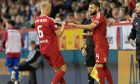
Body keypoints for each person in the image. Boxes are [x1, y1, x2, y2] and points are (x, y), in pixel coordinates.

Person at [69, 1, 113, 84]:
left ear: (97, 8)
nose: (89, 9)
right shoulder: (94, 17)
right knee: (103, 67)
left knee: (99, 66)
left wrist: (76, 25)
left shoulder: (99, 16)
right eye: (89, 8)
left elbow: (90, 26)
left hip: (101, 44)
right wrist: (89, 34)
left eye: (92, 8)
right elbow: (98, 31)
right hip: (97, 44)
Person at [34, 1, 67, 84]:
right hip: (51, 48)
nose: (50, 11)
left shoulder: (36, 21)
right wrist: (63, 25)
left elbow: (47, 29)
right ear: (46, 8)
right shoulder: (49, 20)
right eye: (50, 9)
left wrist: (54, 22)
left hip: (43, 49)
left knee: (57, 70)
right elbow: (59, 34)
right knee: (63, 68)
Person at [2, 19, 24, 84]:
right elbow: (22, 44)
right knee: (16, 67)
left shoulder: (7, 32)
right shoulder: (18, 32)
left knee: (9, 67)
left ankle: (12, 72)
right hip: (17, 53)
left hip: (9, 52)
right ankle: (16, 81)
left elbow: (3, 42)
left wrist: (3, 47)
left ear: (9, 25)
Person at [81, 14, 95, 84]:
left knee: (99, 70)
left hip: (98, 49)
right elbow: (84, 37)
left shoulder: (99, 22)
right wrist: (83, 48)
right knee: (90, 70)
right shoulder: (87, 23)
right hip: (89, 49)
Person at [128, 2, 140, 82]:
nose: (135, 8)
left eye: (138, 6)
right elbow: (133, 33)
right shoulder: (135, 20)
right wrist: (131, 39)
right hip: (139, 49)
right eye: (136, 6)